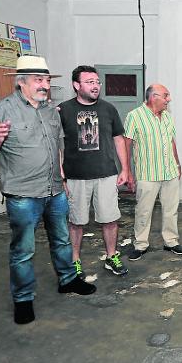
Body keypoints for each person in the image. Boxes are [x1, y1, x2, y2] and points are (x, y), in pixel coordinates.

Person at [0, 55, 96, 324]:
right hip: (23, 195)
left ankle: (68, 280)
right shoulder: (3, 110)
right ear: (21, 82)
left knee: (61, 240)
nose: (45, 85)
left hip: (54, 190)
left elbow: (57, 147)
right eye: (39, 80)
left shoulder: (50, 111)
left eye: (47, 80)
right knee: (23, 250)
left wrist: (63, 179)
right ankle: (23, 299)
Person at [59, 65, 129, 277]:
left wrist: (125, 168)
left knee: (110, 219)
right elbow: (56, 144)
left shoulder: (109, 109)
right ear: (76, 85)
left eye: (97, 82)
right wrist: (60, 174)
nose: (95, 86)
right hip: (75, 177)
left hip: (106, 174)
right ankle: (75, 260)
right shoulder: (63, 110)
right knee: (76, 222)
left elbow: (118, 139)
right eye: (89, 82)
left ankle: (111, 256)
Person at [124, 84, 182, 260]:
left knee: (171, 209)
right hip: (148, 174)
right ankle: (141, 244)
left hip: (170, 172)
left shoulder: (167, 117)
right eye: (166, 96)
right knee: (143, 211)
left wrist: (178, 164)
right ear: (154, 97)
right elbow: (126, 145)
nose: (169, 99)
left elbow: (171, 141)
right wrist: (127, 171)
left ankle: (171, 241)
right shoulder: (134, 116)